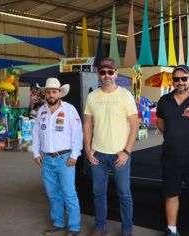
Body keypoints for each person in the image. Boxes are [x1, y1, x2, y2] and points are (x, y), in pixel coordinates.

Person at [83, 58, 139, 236]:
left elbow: (134, 124)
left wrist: (126, 152)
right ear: (98, 74)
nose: (106, 75)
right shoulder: (92, 96)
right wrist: (87, 148)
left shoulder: (125, 95)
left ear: (116, 73)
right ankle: (100, 228)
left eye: (110, 72)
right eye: (102, 72)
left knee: (124, 194)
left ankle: (127, 229)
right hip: (97, 154)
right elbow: (88, 123)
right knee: (98, 193)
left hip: (119, 155)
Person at [157, 65, 189, 236]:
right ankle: (172, 230)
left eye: (184, 78)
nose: (180, 82)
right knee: (171, 194)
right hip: (170, 157)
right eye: (176, 79)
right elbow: (161, 124)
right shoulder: (164, 101)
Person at [32, 78, 83, 236]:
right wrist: (36, 152)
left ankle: (74, 227)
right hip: (47, 159)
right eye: (48, 92)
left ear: (60, 93)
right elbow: (36, 134)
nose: (51, 94)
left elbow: (77, 134)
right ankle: (58, 223)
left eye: (54, 91)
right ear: (45, 94)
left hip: (65, 158)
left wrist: (74, 154)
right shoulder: (41, 111)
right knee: (53, 194)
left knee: (69, 193)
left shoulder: (69, 110)